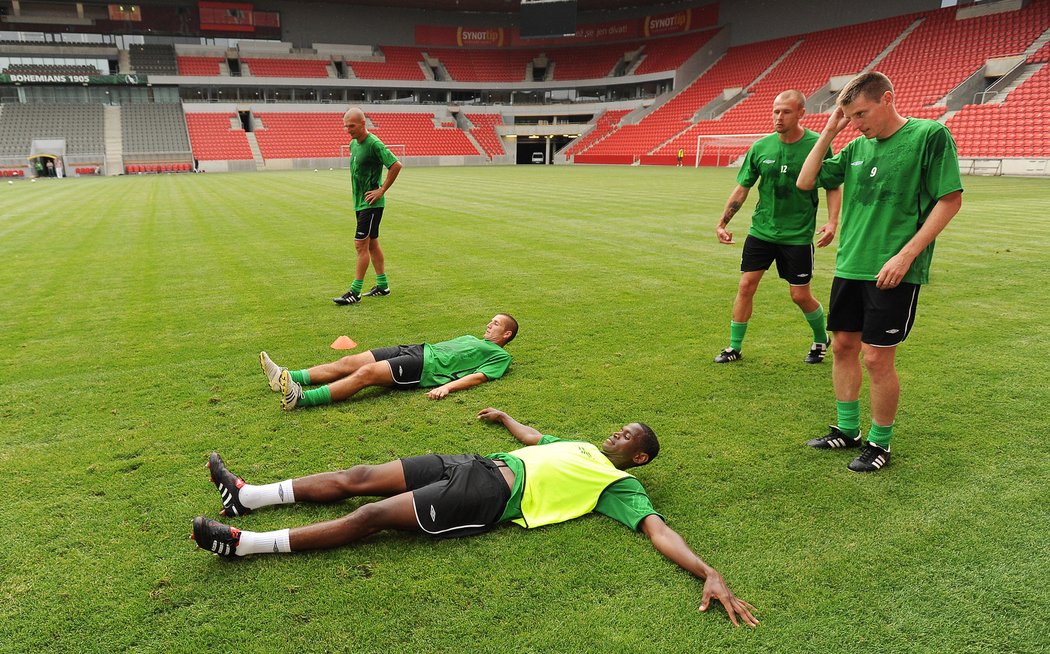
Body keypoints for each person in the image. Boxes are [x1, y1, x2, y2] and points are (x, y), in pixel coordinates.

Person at [191, 407, 759, 628]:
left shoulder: (620, 484)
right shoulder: (583, 443)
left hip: (488, 497)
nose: (618, 432)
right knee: (359, 475)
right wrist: (508, 417)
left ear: (637, 457)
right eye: (622, 427)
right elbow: (539, 438)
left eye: (628, 436)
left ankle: (246, 544)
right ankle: (250, 495)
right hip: (474, 461)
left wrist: (708, 570)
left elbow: (659, 530)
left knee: (371, 514)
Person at [796, 72, 963, 472]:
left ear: (887, 99)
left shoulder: (929, 136)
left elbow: (950, 200)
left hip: (893, 269)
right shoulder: (855, 147)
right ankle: (847, 430)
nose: (857, 123)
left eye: (861, 113)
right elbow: (806, 181)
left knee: (876, 359)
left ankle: (880, 443)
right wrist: (831, 129)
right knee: (842, 347)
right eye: (850, 116)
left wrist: (906, 256)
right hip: (850, 264)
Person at [713, 90, 841, 365]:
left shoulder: (817, 145)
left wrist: (832, 222)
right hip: (762, 231)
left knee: (800, 295)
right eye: (775, 111)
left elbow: (832, 185)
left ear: (801, 113)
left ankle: (821, 338)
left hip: (797, 235)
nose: (779, 117)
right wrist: (723, 222)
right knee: (746, 286)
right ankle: (734, 347)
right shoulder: (761, 147)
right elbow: (743, 187)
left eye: (786, 112)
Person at [260, 314, 518, 410]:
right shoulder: (474, 338)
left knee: (366, 374)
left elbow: (480, 377)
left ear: (506, 334)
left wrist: (447, 387)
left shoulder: (500, 356)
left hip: (425, 368)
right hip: (417, 349)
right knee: (351, 361)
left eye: (495, 323)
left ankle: (302, 399)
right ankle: (286, 376)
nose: (489, 324)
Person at [333, 107, 403, 306]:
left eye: (352, 126)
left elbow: (396, 165)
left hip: (371, 204)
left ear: (363, 124)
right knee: (372, 244)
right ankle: (383, 286)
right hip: (360, 203)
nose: (348, 130)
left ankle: (355, 291)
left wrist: (381, 190)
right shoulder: (353, 144)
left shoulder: (374, 144)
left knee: (360, 244)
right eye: (346, 126)